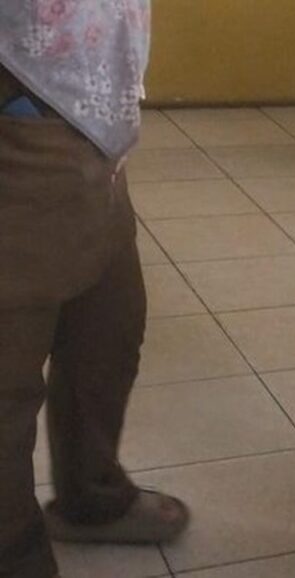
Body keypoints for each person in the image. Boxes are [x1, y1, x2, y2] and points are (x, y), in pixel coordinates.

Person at [0, 4, 189, 578]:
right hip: (22, 125)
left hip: (97, 128)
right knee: (7, 388)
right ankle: (15, 555)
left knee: (108, 336)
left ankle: (91, 499)